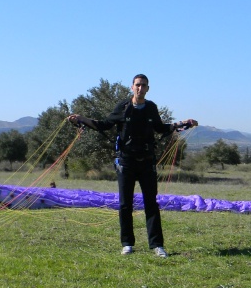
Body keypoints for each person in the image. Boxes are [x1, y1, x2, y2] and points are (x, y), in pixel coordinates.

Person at [67, 74, 198, 258]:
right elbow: (104, 125)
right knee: (125, 204)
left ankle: (157, 245)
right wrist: (82, 118)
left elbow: (161, 128)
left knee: (151, 203)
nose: (140, 88)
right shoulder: (123, 107)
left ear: (147, 88)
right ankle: (127, 243)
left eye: (143, 85)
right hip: (126, 162)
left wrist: (183, 123)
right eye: (137, 85)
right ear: (132, 87)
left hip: (147, 162)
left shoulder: (151, 108)